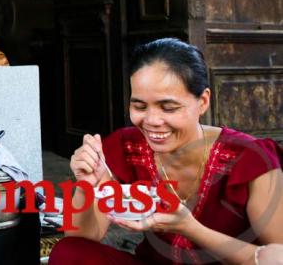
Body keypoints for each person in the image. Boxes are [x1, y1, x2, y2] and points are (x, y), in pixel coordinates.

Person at [50, 38, 283, 264]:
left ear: (203, 101)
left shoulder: (251, 158)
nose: (151, 121)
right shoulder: (125, 147)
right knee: (69, 252)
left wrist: (191, 229)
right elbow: (84, 239)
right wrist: (86, 186)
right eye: (139, 106)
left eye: (168, 108)